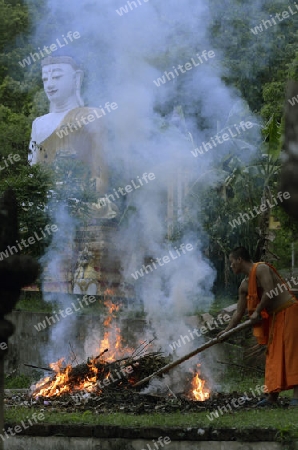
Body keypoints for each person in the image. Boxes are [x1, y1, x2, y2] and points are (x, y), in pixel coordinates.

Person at [221, 246, 298, 407]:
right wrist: (226, 332)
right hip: (274, 319)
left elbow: (269, 291)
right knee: (272, 357)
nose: (231, 266)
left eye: (231, 262)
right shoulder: (244, 285)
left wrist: (257, 311)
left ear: (239, 259)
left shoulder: (261, 268)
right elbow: (238, 313)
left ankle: (296, 397)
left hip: (289, 311)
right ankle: (272, 398)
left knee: (292, 354)